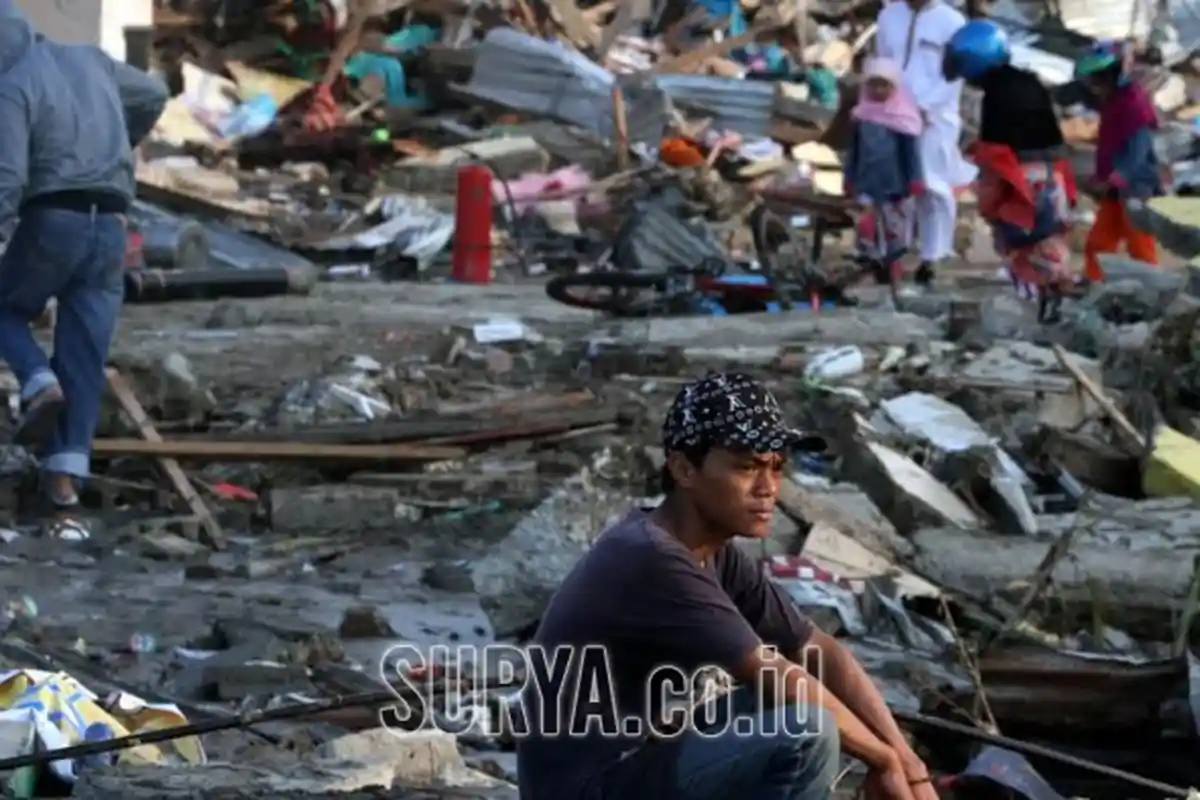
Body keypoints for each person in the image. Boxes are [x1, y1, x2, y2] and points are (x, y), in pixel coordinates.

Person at [516, 371, 938, 800]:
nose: (768, 488)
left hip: (632, 761)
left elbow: (819, 651)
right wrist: (881, 760)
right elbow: (777, 675)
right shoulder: (654, 558)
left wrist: (909, 762)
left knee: (792, 708)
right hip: (584, 789)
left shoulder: (709, 550)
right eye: (747, 466)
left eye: (776, 467)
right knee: (806, 730)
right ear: (683, 468)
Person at [0, 1, 168, 527]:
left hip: (54, 218)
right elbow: (154, 94)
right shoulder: (91, 61)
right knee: (84, 355)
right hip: (111, 225)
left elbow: (8, 176)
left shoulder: (12, 84)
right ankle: (64, 490)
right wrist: (121, 142)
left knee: (5, 311)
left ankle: (34, 381)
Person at [943, 19, 1078, 322]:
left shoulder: (998, 94)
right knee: (1050, 243)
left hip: (1021, 180)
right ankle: (1059, 309)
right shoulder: (1029, 82)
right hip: (1053, 176)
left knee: (1020, 245)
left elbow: (996, 151)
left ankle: (1032, 317)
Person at [875, 0, 975, 286]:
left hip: (935, 116)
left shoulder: (952, 21)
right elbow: (883, 62)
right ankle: (897, 250)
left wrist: (925, 107)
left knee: (933, 184)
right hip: (894, 112)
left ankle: (936, 254)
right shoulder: (888, 16)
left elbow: (954, 76)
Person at [1076, 40, 1164, 282]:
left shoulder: (1133, 104)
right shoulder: (1115, 101)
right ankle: (1093, 286)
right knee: (1098, 242)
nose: (1095, 86)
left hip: (1136, 188)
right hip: (1116, 189)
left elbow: (1137, 153)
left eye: (1098, 79)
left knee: (1140, 247)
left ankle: (1154, 292)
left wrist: (1114, 178)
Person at [843, 56, 925, 290]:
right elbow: (854, 151)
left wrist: (915, 179)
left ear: (894, 87)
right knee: (866, 225)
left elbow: (911, 154)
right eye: (873, 85)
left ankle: (893, 268)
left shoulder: (903, 118)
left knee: (894, 227)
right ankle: (870, 265)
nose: (878, 90)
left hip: (894, 182)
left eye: (884, 85)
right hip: (866, 181)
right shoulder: (862, 116)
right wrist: (848, 178)